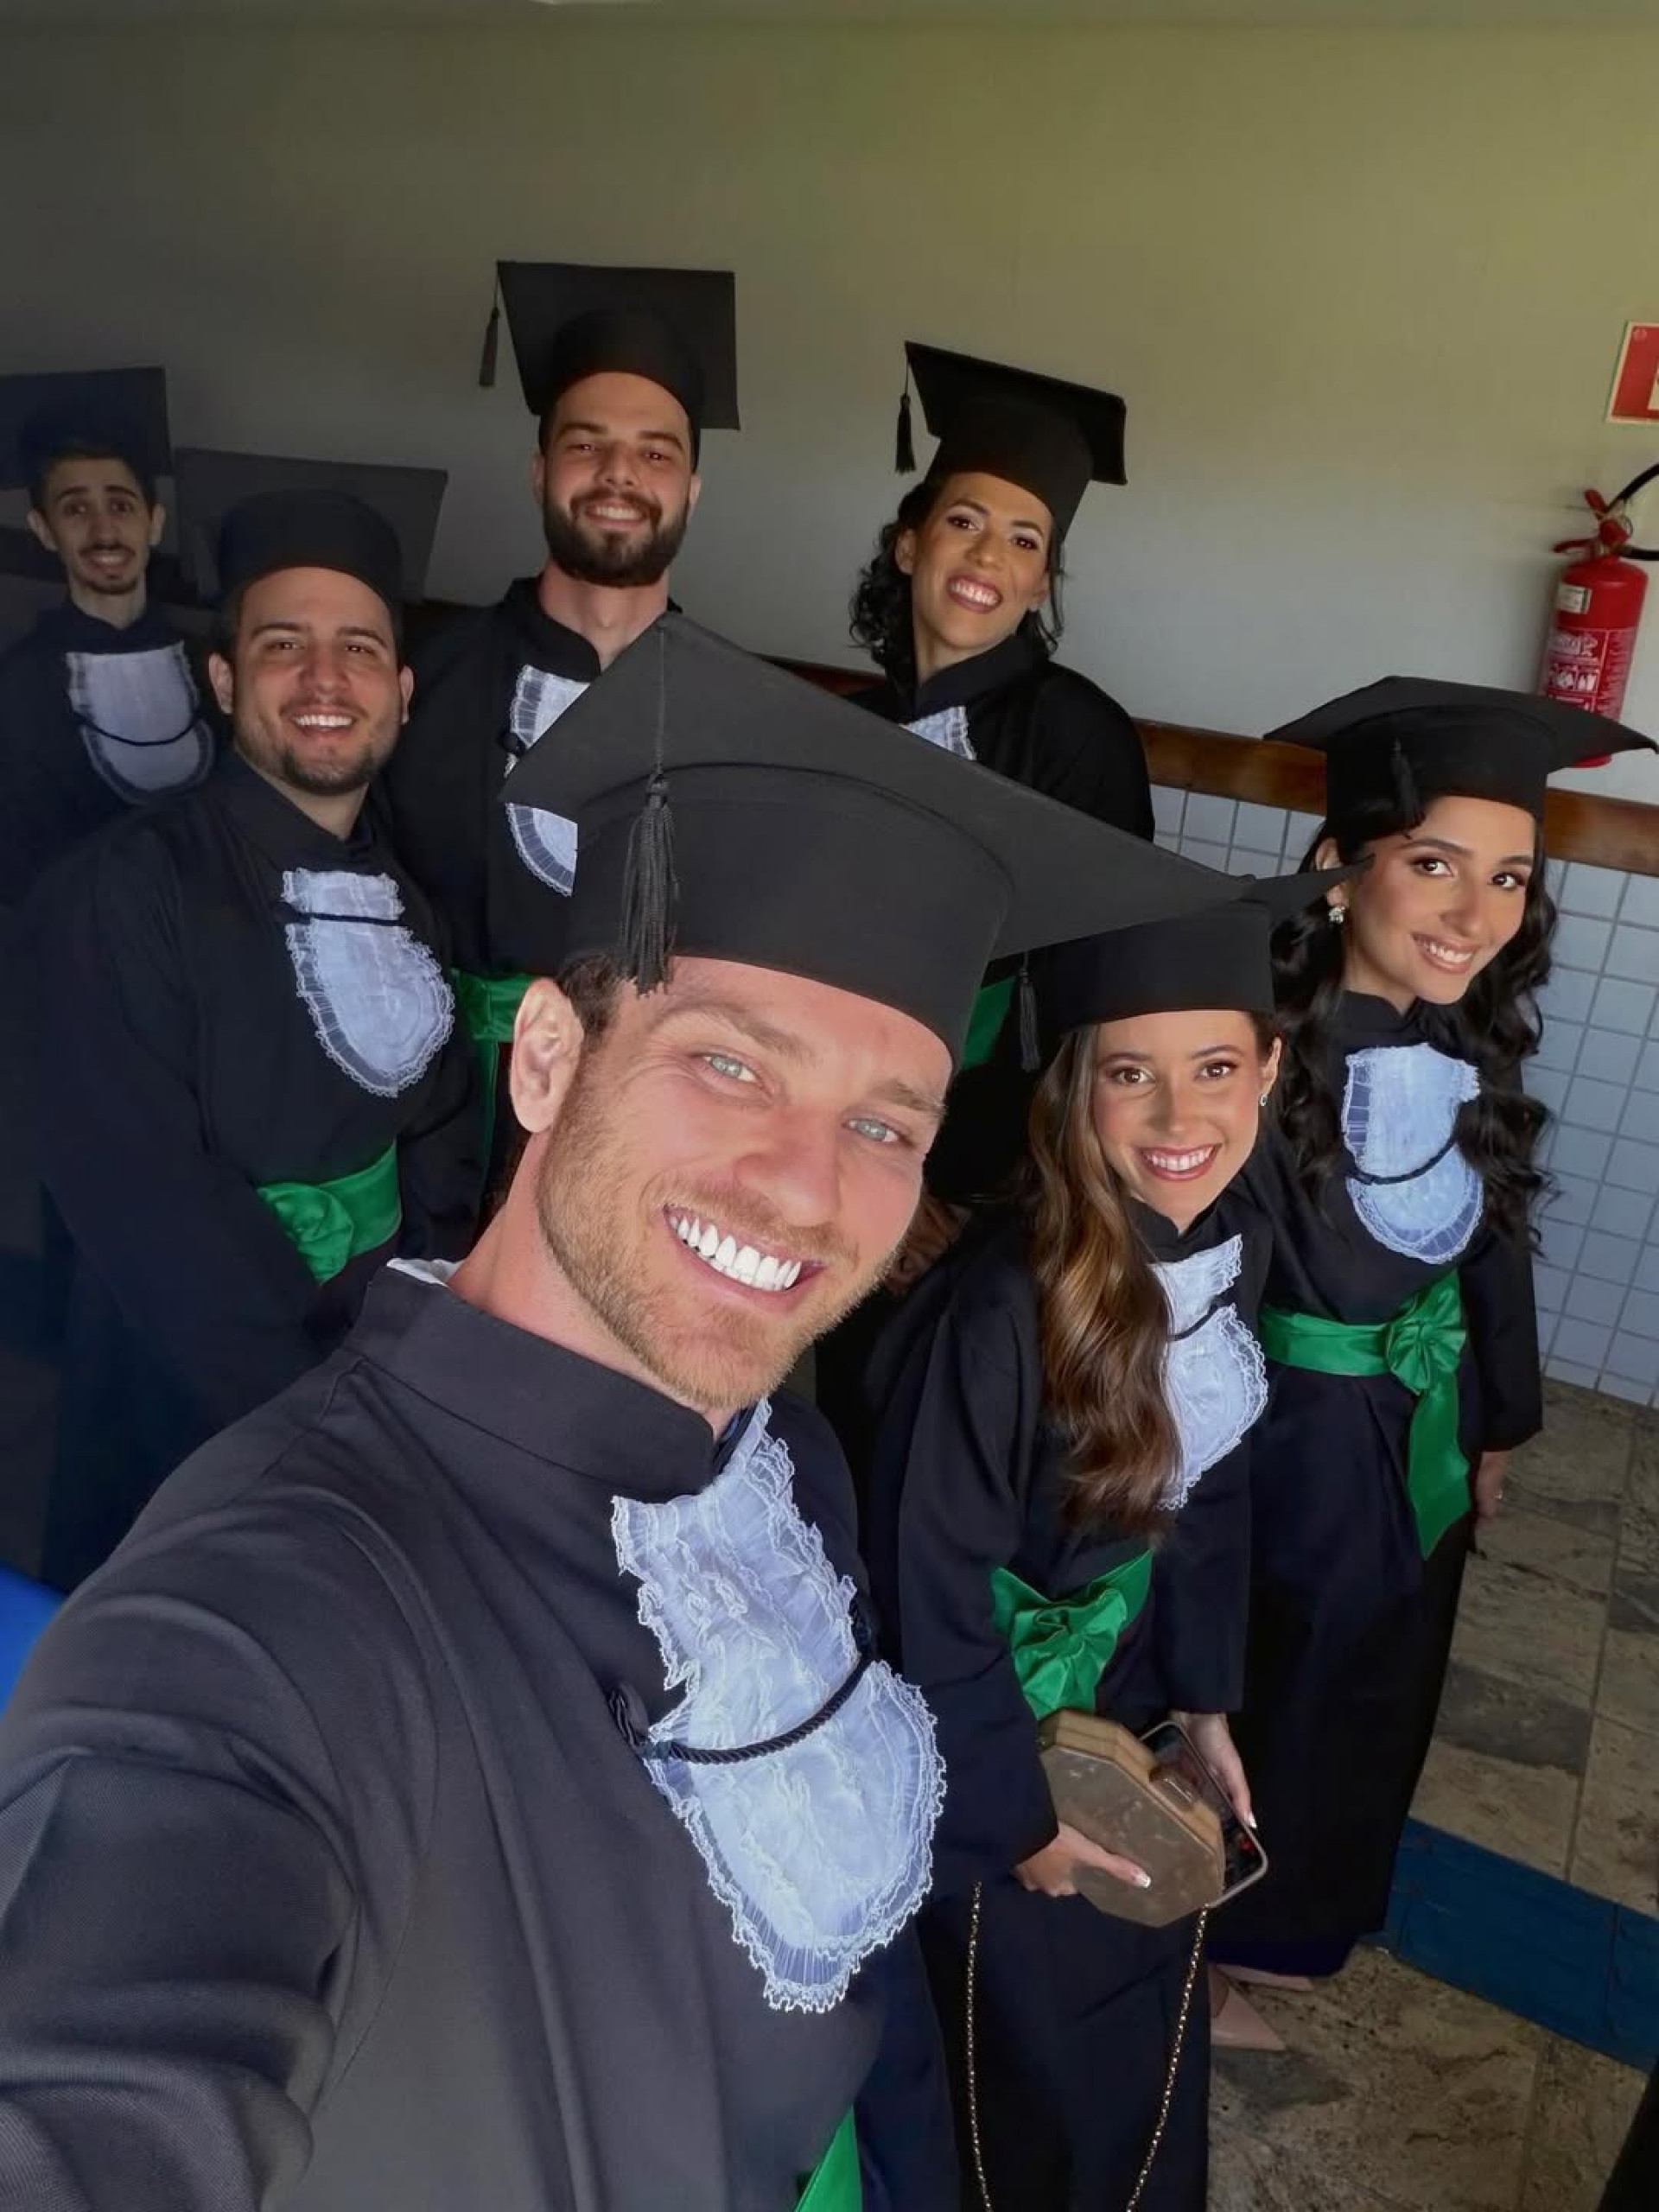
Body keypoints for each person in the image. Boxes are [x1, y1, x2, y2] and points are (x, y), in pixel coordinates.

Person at [0, 617, 1226, 2211]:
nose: (807, 1187)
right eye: (731, 1066)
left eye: (884, 1124)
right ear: (545, 1059)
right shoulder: (269, 1613)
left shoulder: (789, 1467)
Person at [851, 873, 1327, 2208]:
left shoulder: (1225, 1243)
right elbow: (925, 1590)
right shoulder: (996, 1313)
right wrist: (1018, 1817)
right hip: (989, 1739)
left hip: (1128, 1708)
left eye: (1216, 1067)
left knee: (1136, 2023)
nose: (1180, 1118)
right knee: (1019, 2058)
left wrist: (1205, 1705)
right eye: (1131, 1074)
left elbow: (1207, 1494)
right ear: (1073, 1088)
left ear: (1268, 1068)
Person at [1213, 678, 1655, 1996]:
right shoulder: (1252, 1052)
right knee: (1282, 1687)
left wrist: (1494, 1421)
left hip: (1426, 1427)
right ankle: (1217, 1943)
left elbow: (1491, 1250)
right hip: (1287, 1449)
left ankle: (1303, 1930)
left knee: (1384, 1683)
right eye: (1435, 865)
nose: (1477, 915)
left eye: (1510, 877)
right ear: (1338, 867)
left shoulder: (1468, 1039)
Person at [27, 487, 480, 1591]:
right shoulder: (119, 892)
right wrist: (320, 1420)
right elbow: (146, 1206)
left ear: (400, 692)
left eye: (359, 648)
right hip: (188, 1410)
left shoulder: (411, 906)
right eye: (284, 644)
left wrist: (411, 1349)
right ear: (226, 681)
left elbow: (442, 1134)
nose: (325, 679)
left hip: (379, 1387)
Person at [383, 260, 739, 1170]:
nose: (619, 474)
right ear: (541, 471)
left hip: (649, 1137)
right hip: (440, 1127)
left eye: (655, 452)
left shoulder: (742, 715)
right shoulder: (427, 680)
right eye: (586, 444)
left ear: (692, 489)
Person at [849, 341, 1154, 1211]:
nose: (988, 556)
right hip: (843, 1107)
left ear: (1038, 584)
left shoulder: (1078, 734)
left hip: (999, 1155)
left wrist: (980, 1187)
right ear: (910, 545)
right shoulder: (847, 726)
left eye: (1024, 541)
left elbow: (1099, 980)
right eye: (964, 522)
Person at [0, 372, 217, 901]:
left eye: (120, 505)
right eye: (75, 509)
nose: (103, 532)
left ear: (154, 522)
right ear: (44, 528)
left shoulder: (214, 666)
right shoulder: (19, 685)